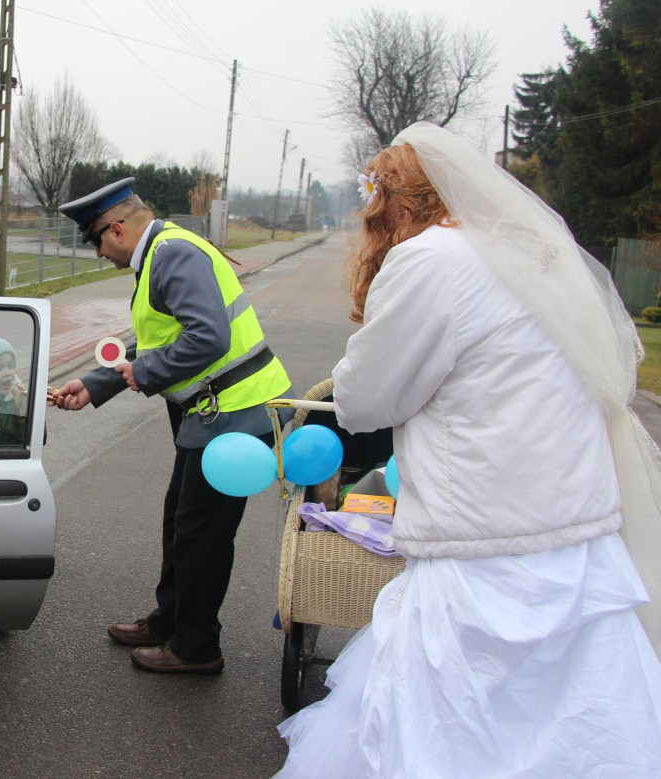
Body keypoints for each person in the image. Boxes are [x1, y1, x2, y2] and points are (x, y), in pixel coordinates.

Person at [275, 122, 661, 777]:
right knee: (582, 728)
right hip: (579, 540)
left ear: (395, 201)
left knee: (455, 737)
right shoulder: (534, 256)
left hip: (483, 551)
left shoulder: (431, 261)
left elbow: (367, 397)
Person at [51, 178, 294, 675]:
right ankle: (171, 620)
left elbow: (207, 336)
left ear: (116, 229)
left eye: (96, 241)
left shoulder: (172, 255)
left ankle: (197, 647)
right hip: (215, 413)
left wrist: (141, 373)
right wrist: (96, 384)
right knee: (180, 522)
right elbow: (165, 339)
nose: (98, 254)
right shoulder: (163, 252)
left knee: (201, 534)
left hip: (235, 412)